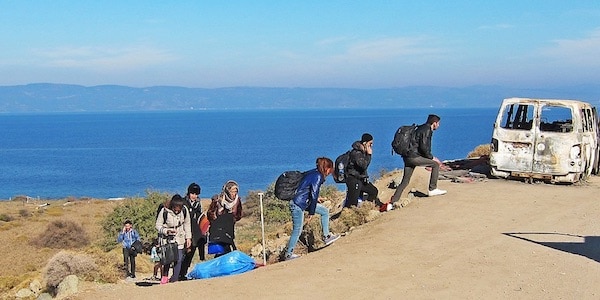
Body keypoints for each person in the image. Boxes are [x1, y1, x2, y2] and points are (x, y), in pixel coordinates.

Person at [284, 157, 340, 261]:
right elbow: (313, 194)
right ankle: (288, 254)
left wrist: (316, 200)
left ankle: (327, 236)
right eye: (330, 169)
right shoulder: (318, 176)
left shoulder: (313, 173)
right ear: (326, 168)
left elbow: (306, 190)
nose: (330, 172)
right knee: (297, 229)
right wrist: (312, 212)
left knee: (324, 211)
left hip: (302, 202)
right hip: (298, 204)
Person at [390, 114, 447, 205]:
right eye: (438, 123)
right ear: (434, 123)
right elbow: (424, 147)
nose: (439, 125)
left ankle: (393, 201)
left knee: (405, 181)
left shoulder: (419, 128)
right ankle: (432, 189)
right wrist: (432, 157)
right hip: (414, 157)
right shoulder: (427, 130)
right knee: (435, 164)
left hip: (407, 157)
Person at [156, 194, 192, 284]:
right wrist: (166, 231)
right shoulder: (164, 211)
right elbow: (158, 225)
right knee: (168, 258)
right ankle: (165, 276)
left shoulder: (184, 210)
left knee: (179, 258)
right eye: (176, 208)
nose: (177, 210)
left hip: (179, 237)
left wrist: (188, 238)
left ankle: (175, 278)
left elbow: (187, 224)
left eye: (179, 208)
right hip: (167, 239)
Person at [344, 133, 381, 208]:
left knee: (373, 191)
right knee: (352, 203)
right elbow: (363, 165)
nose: (372, 145)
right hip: (353, 180)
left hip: (360, 179)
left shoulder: (362, 152)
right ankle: (348, 215)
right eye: (370, 143)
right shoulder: (356, 153)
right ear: (365, 143)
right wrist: (369, 155)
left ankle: (366, 208)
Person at [207, 180, 243, 257]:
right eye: (232, 191)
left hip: (229, 229)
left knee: (228, 249)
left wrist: (232, 219)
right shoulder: (218, 200)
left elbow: (239, 214)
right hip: (218, 230)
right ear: (227, 191)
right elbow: (210, 214)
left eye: (235, 191)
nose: (234, 194)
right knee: (220, 250)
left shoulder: (237, 201)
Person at [179, 182, 205, 281]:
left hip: (194, 231)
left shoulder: (197, 204)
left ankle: (183, 273)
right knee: (183, 253)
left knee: (191, 252)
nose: (194, 196)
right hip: (184, 230)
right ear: (189, 193)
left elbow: (199, 217)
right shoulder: (183, 202)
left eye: (196, 194)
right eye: (193, 193)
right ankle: (178, 272)